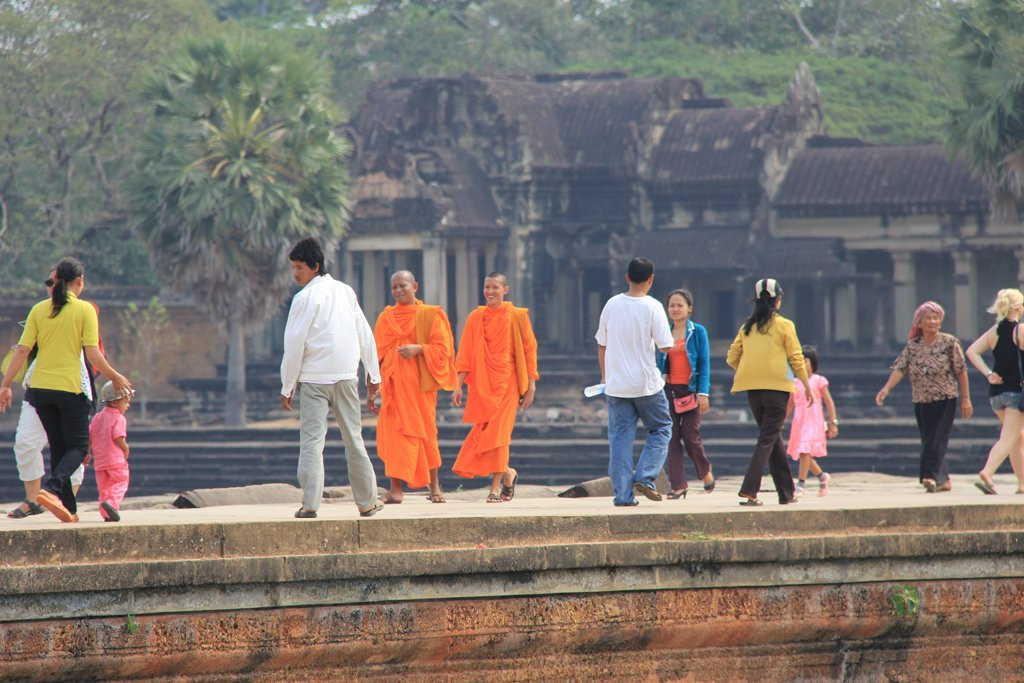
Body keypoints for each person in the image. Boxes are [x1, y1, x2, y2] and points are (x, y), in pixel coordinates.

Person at [0, 257, 132, 523]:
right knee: (79, 447)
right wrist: (115, 376)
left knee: (59, 447)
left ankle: (68, 510)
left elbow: (23, 350)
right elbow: (92, 353)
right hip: (70, 389)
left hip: (39, 392)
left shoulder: (39, 309)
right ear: (80, 281)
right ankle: (49, 490)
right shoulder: (84, 310)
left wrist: (5, 385)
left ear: (56, 281)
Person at [280, 237, 384, 519]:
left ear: (315, 266)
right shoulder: (345, 291)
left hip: (316, 380)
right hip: (345, 377)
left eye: (299, 267)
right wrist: (374, 373)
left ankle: (310, 504)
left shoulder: (304, 298)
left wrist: (287, 385)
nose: (295, 274)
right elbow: (365, 332)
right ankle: (368, 502)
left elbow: (294, 344)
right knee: (354, 438)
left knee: (313, 442)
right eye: (293, 268)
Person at [6, 270, 87, 518]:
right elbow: (22, 349)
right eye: (48, 282)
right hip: (39, 389)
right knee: (27, 443)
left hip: (71, 387)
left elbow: (91, 353)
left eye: (56, 282)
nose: (52, 286)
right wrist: (6, 383)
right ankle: (35, 499)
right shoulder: (40, 311)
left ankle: (61, 501)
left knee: (70, 447)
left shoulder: (79, 311)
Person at [371, 270, 457, 504]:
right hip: (393, 387)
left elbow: (444, 350)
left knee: (426, 433)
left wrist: (419, 349)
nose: (398, 291)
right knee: (394, 436)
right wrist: (372, 386)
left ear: (415, 286)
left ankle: (435, 487)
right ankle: (395, 489)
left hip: (419, 387)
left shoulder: (430, 315)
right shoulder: (386, 318)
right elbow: (375, 355)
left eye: (403, 286)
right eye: (394, 287)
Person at [452, 272, 538, 503]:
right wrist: (457, 386)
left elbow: (530, 351)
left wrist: (530, 387)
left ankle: (494, 487)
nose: (490, 291)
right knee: (484, 435)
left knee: (499, 436)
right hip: (482, 386)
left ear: (505, 290)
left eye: (495, 287)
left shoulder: (517, 316)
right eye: (486, 287)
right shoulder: (475, 317)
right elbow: (465, 354)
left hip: (508, 384)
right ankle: (508, 474)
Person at [596, 257, 674, 507]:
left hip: (616, 385)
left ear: (627, 277)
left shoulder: (611, 304)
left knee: (619, 440)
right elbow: (665, 346)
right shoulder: (653, 307)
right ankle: (645, 477)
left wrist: (605, 377)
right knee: (661, 428)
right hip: (645, 384)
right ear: (651, 280)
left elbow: (602, 344)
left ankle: (622, 496)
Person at [727, 278, 811, 506]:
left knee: (773, 439)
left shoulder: (747, 326)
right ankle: (749, 489)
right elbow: (796, 357)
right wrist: (806, 384)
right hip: (777, 390)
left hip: (753, 391)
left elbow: (732, 356)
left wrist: (749, 370)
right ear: (778, 300)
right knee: (767, 439)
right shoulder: (785, 325)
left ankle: (786, 493)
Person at [875, 301, 973, 492]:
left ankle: (929, 476)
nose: (932, 321)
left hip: (945, 398)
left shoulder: (949, 343)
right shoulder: (913, 346)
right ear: (919, 322)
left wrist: (966, 398)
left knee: (936, 440)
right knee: (930, 439)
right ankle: (943, 480)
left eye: (936, 318)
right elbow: (900, 368)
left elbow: (961, 370)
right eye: (928, 318)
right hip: (921, 399)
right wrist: (886, 389)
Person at [965, 288, 1024, 494]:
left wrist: (989, 373)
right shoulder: (1020, 330)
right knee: (1009, 438)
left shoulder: (995, 331)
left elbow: (971, 351)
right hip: (1016, 393)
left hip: (996, 393)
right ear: (1018, 307)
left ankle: (1022, 484)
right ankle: (988, 472)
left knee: (1017, 439)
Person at [661, 288, 714, 500]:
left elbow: (704, 362)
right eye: (671, 305)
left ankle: (705, 472)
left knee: (691, 436)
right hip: (669, 391)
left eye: (679, 305)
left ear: (689, 308)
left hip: (692, 391)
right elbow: (659, 361)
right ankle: (678, 486)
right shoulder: (664, 331)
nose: (675, 309)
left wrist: (703, 392)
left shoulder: (698, 332)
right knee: (671, 439)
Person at [785, 346, 837, 497]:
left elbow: (828, 401)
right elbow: (790, 404)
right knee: (804, 453)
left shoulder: (818, 381)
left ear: (812, 362)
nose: (801, 364)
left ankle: (800, 484)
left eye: (805, 360)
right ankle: (822, 476)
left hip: (814, 420)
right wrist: (781, 421)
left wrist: (833, 422)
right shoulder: (794, 383)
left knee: (805, 450)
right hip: (799, 421)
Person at [88, 381, 133, 522]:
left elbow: (90, 437)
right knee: (121, 481)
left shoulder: (97, 417)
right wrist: (126, 448)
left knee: (104, 488)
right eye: (125, 402)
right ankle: (112, 504)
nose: (128, 405)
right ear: (114, 403)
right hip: (115, 459)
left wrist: (87, 452)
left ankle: (106, 514)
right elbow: (118, 436)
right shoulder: (119, 418)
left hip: (100, 462)